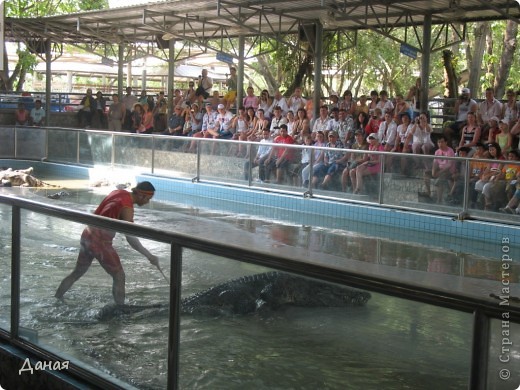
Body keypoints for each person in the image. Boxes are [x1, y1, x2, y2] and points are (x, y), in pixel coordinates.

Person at [55, 181, 159, 305]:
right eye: (148, 199)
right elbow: (130, 238)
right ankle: (120, 309)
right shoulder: (127, 208)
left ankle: (57, 297)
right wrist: (149, 256)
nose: (148, 202)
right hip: (101, 242)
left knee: (77, 272)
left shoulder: (118, 192)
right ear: (142, 195)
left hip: (87, 234)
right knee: (119, 276)